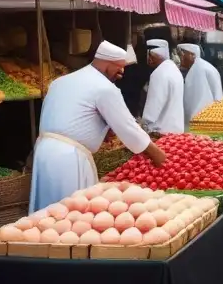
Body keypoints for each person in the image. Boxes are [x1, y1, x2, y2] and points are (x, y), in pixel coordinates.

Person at [29, 41, 166, 212]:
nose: (122, 73)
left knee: (45, 216)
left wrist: (101, 129)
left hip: (44, 152)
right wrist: (158, 155)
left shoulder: (61, 81)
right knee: (69, 216)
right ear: (106, 63)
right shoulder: (105, 88)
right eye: (119, 67)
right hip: (69, 160)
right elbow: (128, 127)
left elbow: (74, 117)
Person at [141, 40, 185, 134]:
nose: (148, 59)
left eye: (150, 55)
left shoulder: (159, 73)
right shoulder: (173, 69)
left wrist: (144, 123)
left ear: (154, 54)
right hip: (176, 127)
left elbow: (154, 105)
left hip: (161, 131)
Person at [179, 43, 223, 127]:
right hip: (198, 120)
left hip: (205, 120)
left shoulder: (202, 69)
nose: (181, 58)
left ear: (192, 55)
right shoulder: (195, 68)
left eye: (183, 55)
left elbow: (217, 97)